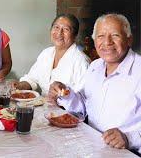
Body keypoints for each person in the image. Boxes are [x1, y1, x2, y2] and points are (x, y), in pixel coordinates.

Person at [48, 13, 141, 154]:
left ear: (129, 39)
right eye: (100, 36)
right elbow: (83, 107)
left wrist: (129, 138)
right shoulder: (95, 66)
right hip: (92, 145)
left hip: (127, 152)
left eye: (115, 35)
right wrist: (65, 93)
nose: (107, 42)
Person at [14, 14, 90, 96]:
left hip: (65, 108)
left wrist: (63, 95)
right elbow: (32, 79)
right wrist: (19, 86)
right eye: (56, 27)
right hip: (44, 106)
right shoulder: (46, 53)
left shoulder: (81, 61)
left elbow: (83, 98)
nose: (59, 33)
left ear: (75, 35)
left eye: (66, 29)